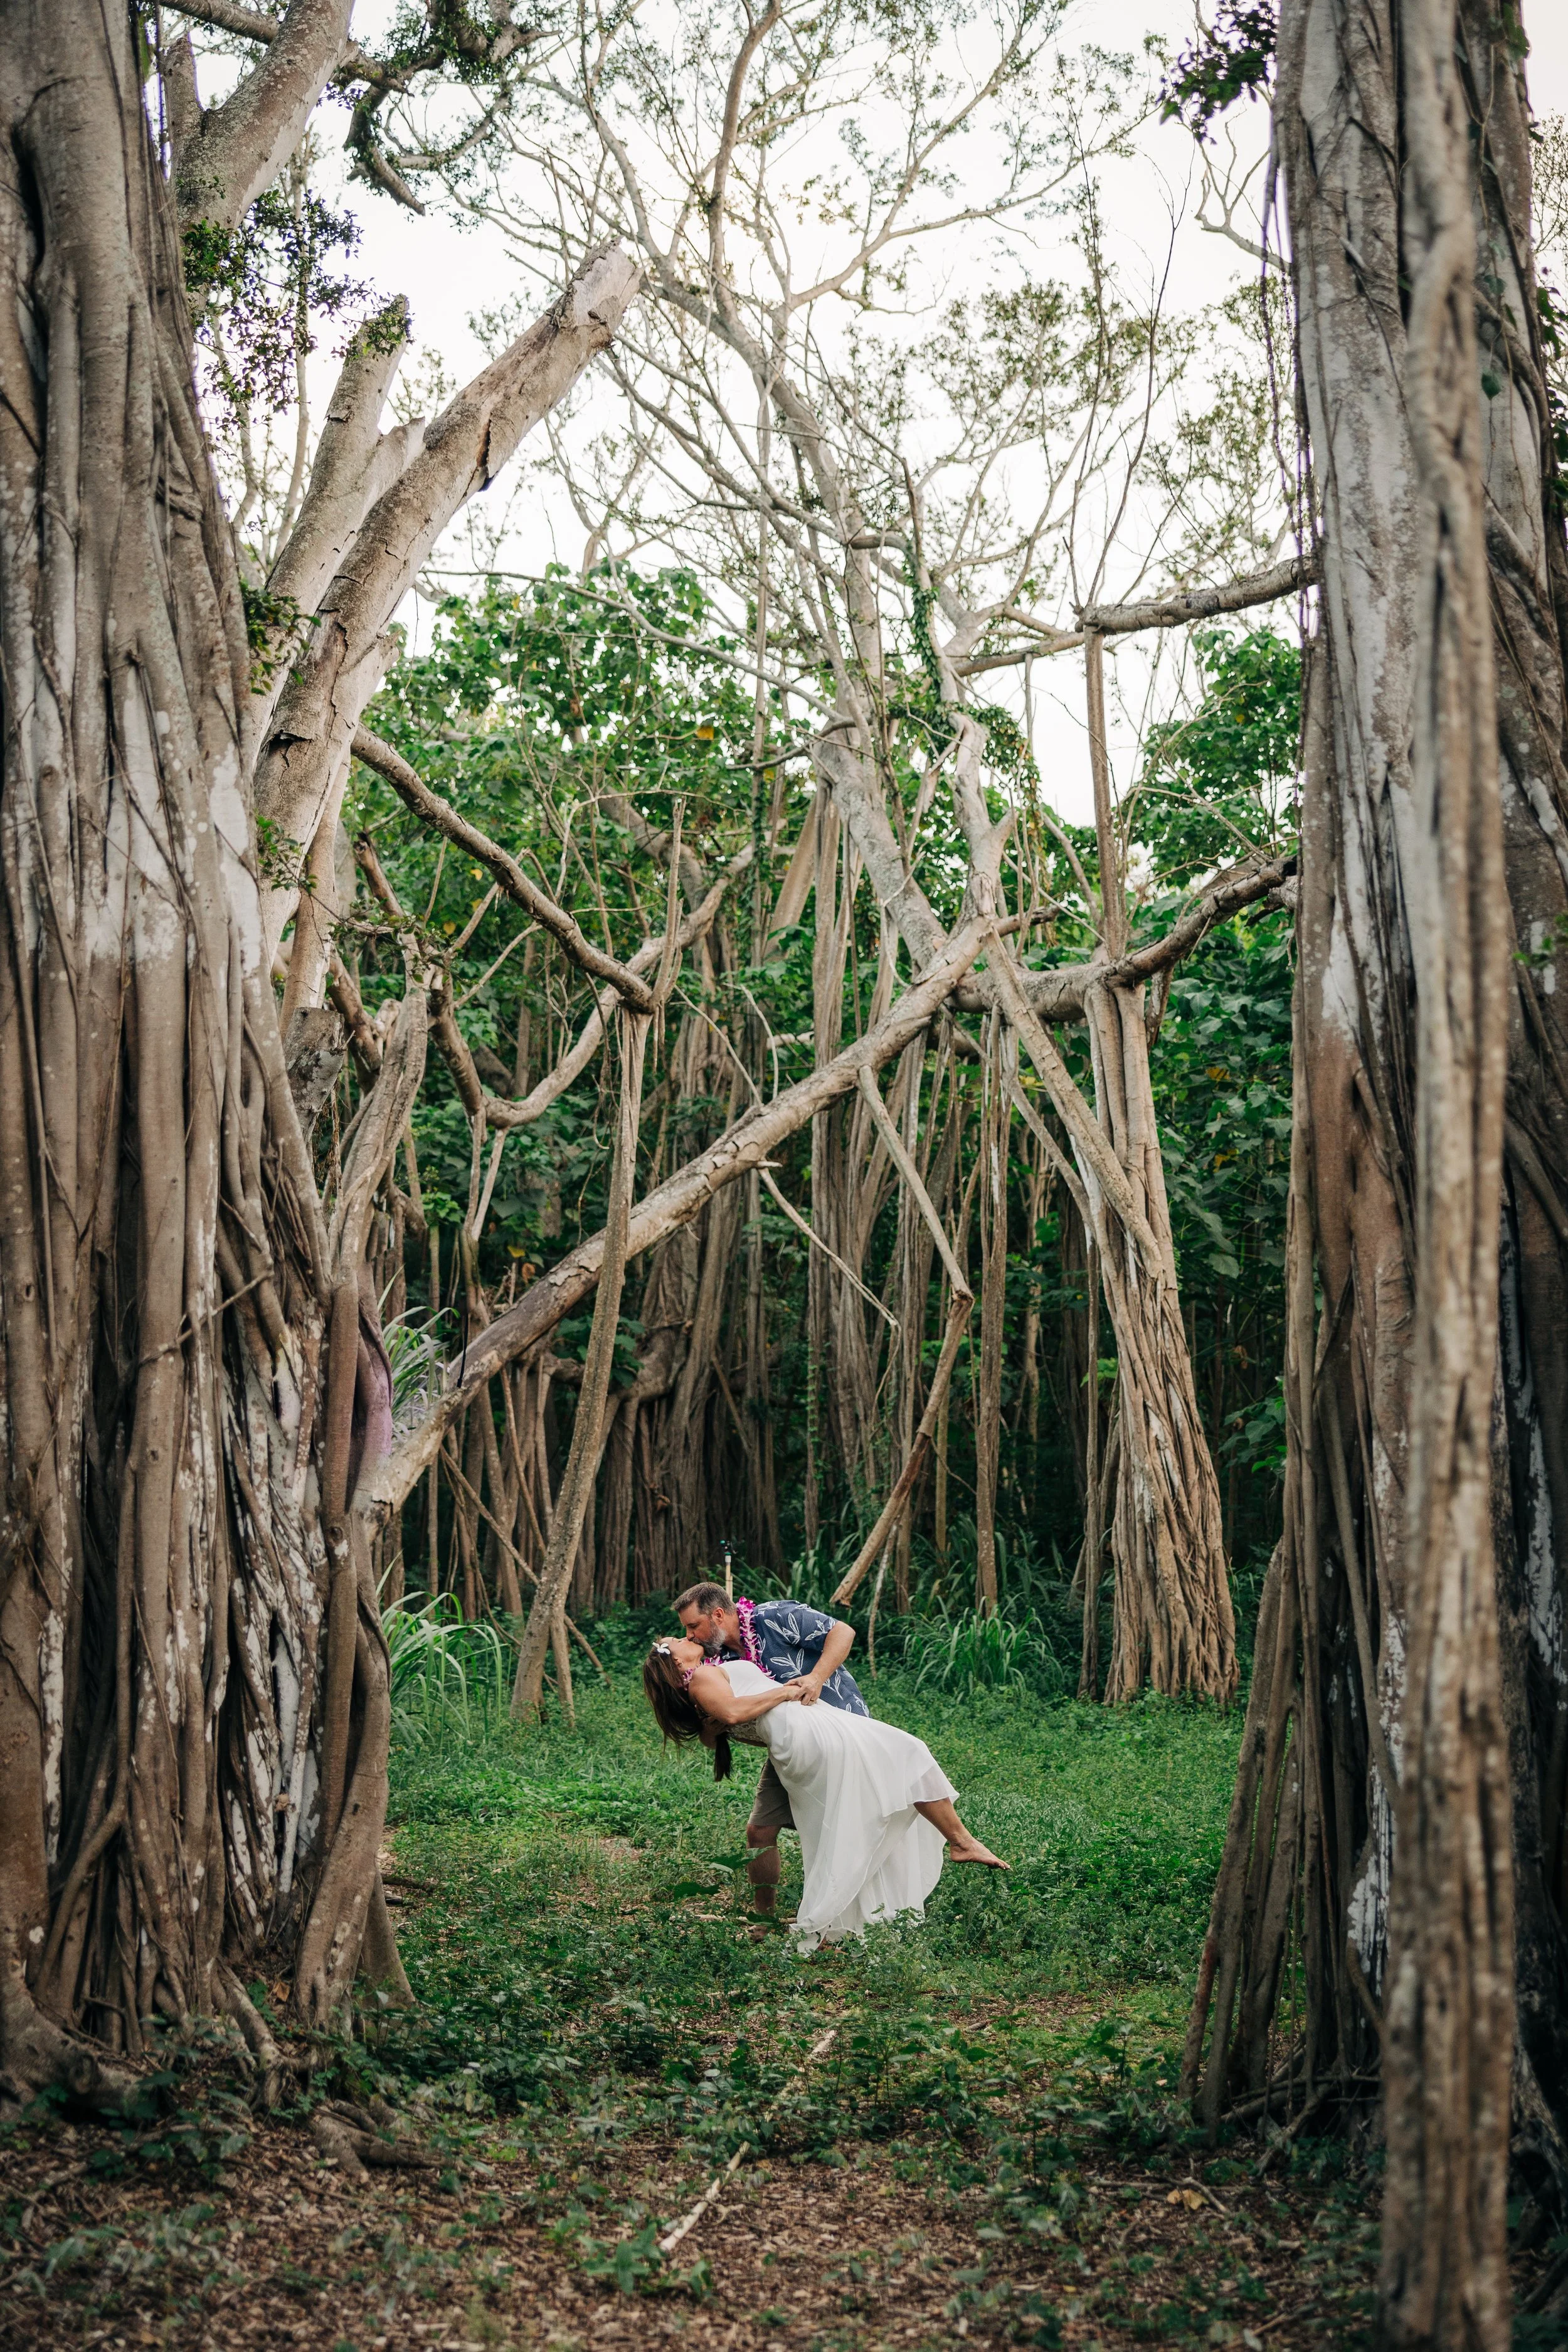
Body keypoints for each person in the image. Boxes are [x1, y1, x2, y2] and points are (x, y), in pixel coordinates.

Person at [642, 1633, 1005, 1951]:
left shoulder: (708, 1673)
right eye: (678, 1638)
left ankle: (845, 1913)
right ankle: (957, 1843)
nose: (684, 1636)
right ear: (675, 1660)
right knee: (905, 1759)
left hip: (809, 1727)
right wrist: (786, 1690)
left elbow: (724, 1722)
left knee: (888, 1775)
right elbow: (735, 1714)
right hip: (806, 1732)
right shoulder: (703, 1677)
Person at [672, 1580, 864, 1917]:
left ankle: (835, 1916)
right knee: (760, 1830)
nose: (689, 1636)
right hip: (791, 1749)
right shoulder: (716, 1662)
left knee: (835, 1828)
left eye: (693, 1626)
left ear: (718, 1615)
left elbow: (843, 1632)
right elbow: (716, 1730)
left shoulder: (774, 1615)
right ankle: (765, 1917)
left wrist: (816, 1678)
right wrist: (713, 1726)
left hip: (841, 1730)